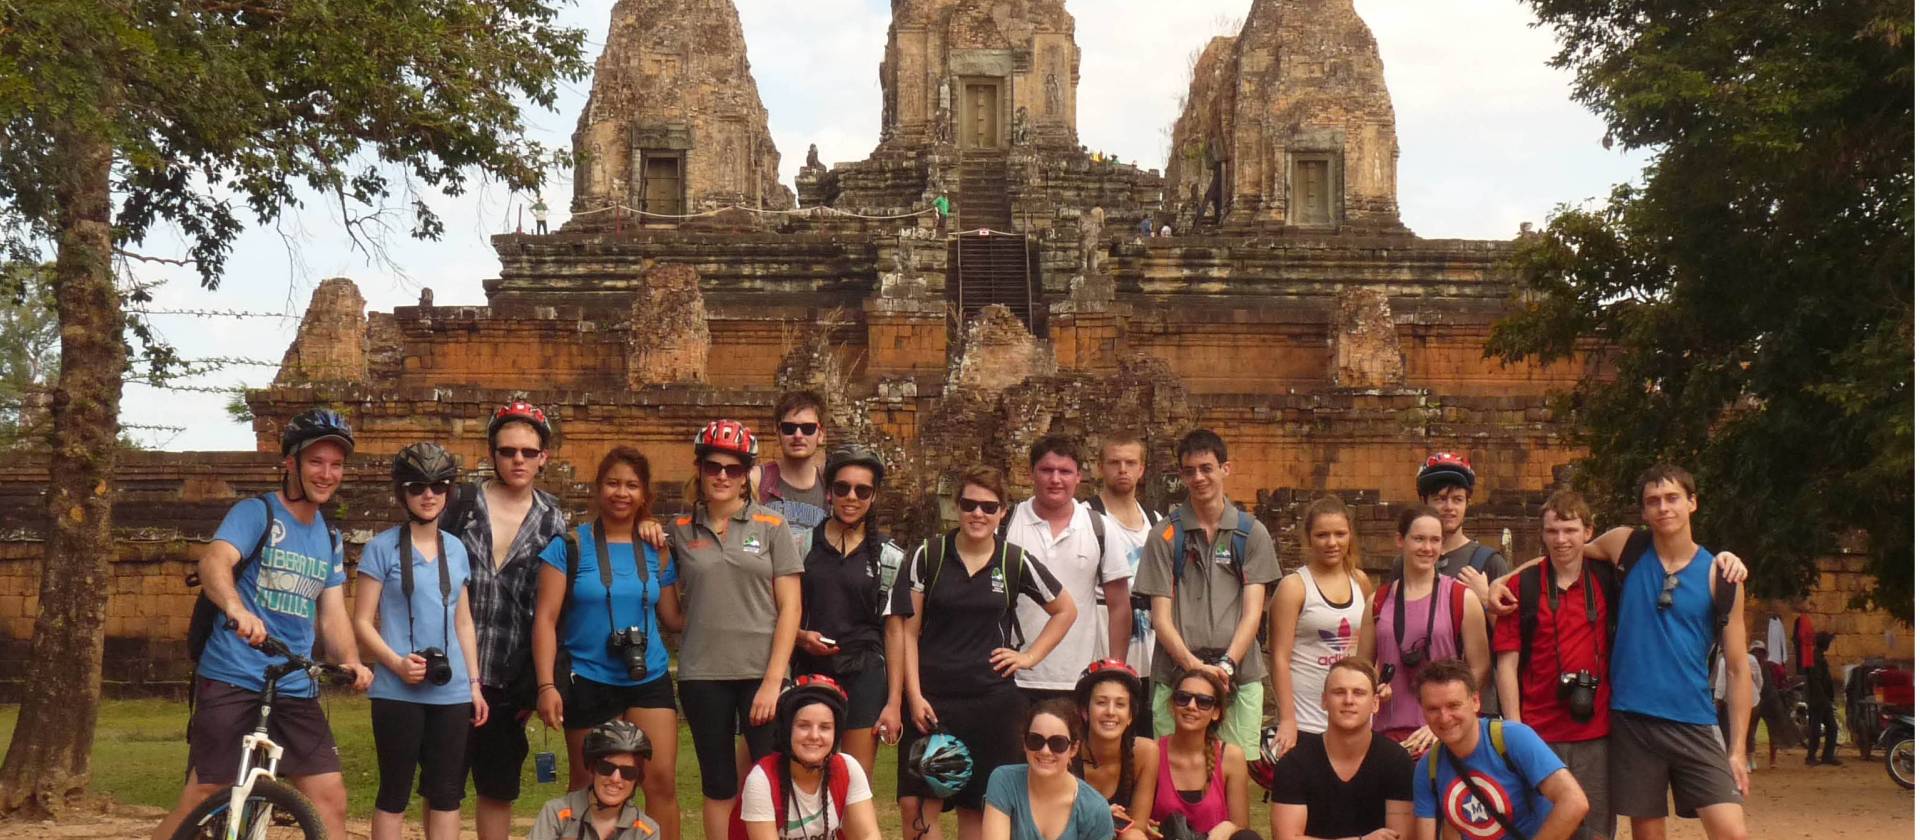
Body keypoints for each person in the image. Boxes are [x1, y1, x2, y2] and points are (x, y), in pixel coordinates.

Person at [153, 409, 374, 840]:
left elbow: (331, 613)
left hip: (293, 684)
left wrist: (350, 662)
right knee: (205, 793)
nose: (327, 474)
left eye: (336, 464)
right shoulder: (257, 513)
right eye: (316, 462)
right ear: (290, 462)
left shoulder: (328, 538)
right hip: (234, 675)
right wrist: (236, 608)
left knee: (330, 798)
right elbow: (215, 560)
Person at [894, 465, 1077, 840]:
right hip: (932, 701)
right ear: (956, 507)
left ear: (1003, 512)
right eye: (969, 504)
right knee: (918, 804)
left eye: (989, 507)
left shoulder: (1013, 560)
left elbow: (1065, 610)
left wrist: (1028, 658)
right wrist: (913, 697)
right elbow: (906, 633)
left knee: (976, 806)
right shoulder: (928, 555)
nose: (978, 514)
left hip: (991, 702)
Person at [1580, 464, 1751, 840]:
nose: (1663, 508)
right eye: (1652, 501)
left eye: (1673, 498)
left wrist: (1737, 750)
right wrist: (1494, 587)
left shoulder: (1721, 575)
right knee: (1648, 834)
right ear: (1643, 512)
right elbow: (1562, 554)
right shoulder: (1625, 544)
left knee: (1731, 831)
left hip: (1693, 718)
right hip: (1633, 719)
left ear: (1693, 503)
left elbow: (1738, 669)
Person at [533, 447, 684, 835]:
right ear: (598, 488)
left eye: (632, 485)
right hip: (588, 677)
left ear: (644, 494)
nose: (622, 493)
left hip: (647, 676)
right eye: (613, 483)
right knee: (588, 785)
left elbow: (673, 618)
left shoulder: (655, 547)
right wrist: (547, 685)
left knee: (660, 782)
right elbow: (545, 620)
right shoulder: (569, 546)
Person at [668, 420, 806, 840]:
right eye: (713, 467)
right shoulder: (678, 530)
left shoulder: (772, 526)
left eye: (733, 467)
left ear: (748, 472)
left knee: (770, 779)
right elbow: (670, 611)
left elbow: (790, 607)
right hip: (702, 672)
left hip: (760, 674)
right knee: (718, 783)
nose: (723, 476)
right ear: (700, 468)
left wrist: (772, 681)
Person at [444, 400, 571, 840]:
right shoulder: (459, 504)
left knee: (497, 789)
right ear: (492, 454)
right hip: (453, 666)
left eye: (528, 452)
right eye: (508, 451)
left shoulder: (553, 518)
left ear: (543, 458)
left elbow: (554, 606)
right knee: (444, 788)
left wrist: (537, 682)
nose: (518, 460)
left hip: (510, 669)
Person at [353, 443, 486, 840]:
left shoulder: (457, 549)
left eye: (439, 486)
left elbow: (464, 622)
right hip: (397, 689)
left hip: (452, 689)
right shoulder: (381, 548)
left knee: (447, 794)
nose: (428, 495)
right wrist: (396, 664)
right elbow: (361, 621)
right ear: (402, 492)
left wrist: (475, 685)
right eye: (417, 486)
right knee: (394, 792)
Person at [1132, 429, 1281, 756]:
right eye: (1189, 471)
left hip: (1238, 673)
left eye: (1206, 468)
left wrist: (1226, 666)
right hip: (1175, 674)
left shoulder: (1250, 533)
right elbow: (1160, 617)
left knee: (1234, 769)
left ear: (1225, 469)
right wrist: (1194, 667)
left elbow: (1253, 613)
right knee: (1172, 770)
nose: (1198, 478)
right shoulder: (1165, 535)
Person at [1492, 490, 1616, 840]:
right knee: (1542, 828)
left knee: (1595, 830)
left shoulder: (1607, 581)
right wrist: (1515, 732)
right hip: (1539, 732)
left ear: (1588, 532)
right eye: (1552, 531)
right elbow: (1506, 664)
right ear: (1542, 535)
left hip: (1596, 732)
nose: (1561, 540)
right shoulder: (1522, 587)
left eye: (1570, 530)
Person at [795, 446, 905, 776]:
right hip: (812, 668)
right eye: (842, 488)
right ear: (829, 492)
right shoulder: (801, 545)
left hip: (865, 672)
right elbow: (782, 612)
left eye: (862, 490)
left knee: (854, 778)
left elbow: (895, 630)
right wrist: (800, 638)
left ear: (874, 496)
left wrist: (894, 702)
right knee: (807, 772)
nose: (851, 497)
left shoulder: (889, 555)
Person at [1004, 436, 1132, 704]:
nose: (1055, 479)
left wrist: (1115, 668)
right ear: (1031, 473)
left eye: (1064, 471)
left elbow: (1119, 604)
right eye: (1046, 470)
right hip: (1013, 674)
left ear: (1078, 477)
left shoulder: (1098, 527)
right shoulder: (1007, 524)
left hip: (1078, 676)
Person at [1412, 659, 1589, 840]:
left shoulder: (1512, 738)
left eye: (1453, 705)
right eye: (1433, 709)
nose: (1444, 717)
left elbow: (1574, 802)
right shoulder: (1428, 767)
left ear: (1475, 701)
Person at [1362, 506, 1488, 756]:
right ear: (1401, 540)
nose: (1427, 548)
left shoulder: (1461, 598)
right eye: (1419, 539)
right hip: (1388, 733)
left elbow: (1480, 667)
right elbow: (1363, 666)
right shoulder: (1378, 601)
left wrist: (1446, 719)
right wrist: (1375, 686)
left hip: (1444, 732)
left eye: (1435, 540)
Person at [1266, 496, 1371, 758]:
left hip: (1352, 714)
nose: (1332, 543)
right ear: (1309, 538)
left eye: (1340, 534)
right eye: (1322, 535)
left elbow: (1369, 649)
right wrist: (1288, 718)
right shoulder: (1294, 586)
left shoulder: (1361, 582)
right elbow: (1279, 657)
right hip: (1306, 717)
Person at [1269, 658, 1414, 840]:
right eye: (1339, 692)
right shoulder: (1294, 764)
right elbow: (1286, 839)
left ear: (1375, 703)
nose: (1348, 700)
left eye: (1359, 693)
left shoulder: (1397, 761)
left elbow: (1400, 837)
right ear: (1324, 701)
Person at [731, 675, 884, 840]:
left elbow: (868, 834)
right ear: (787, 730)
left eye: (825, 727)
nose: (814, 736)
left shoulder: (847, 768)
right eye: (803, 726)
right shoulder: (762, 780)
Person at [1415, 452, 1510, 715]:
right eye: (1440, 499)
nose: (1449, 508)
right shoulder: (1408, 564)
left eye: (1457, 499)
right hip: (1420, 702)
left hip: (1476, 704)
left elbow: (1513, 639)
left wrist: (1486, 602)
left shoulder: (1488, 563)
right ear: (1424, 501)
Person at [1088, 434, 1162, 717]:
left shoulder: (1155, 522)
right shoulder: (1087, 517)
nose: (1123, 470)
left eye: (1130, 463)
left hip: (1150, 647)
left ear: (1141, 469)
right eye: (1114, 462)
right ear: (1100, 467)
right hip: (1103, 640)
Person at [985, 699, 1120, 840]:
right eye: (1035, 740)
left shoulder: (1096, 810)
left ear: (1073, 749)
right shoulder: (1004, 780)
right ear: (1024, 743)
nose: (1045, 751)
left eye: (1057, 743)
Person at [1148, 668, 1257, 840]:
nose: (1191, 706)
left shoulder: (1231, 757)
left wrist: (1228, 828)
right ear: (1172, 705)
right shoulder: (1151, 753)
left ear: (1216, 712)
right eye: (1183, 698)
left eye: (1203, 701)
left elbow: (1241, 830)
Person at [529, 720, 663, 840]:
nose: (615, 779)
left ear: (637, 778)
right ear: (593, 768)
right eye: (606, 768)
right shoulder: (555, 813)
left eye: (628, 772)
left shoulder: (646, 831)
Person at [1071, 660, 1157, 840]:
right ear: (1085, 711)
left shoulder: (1145, 752)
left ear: (1130, 716)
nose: (1110, 712)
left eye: (1120, 704)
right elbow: (1058, 820)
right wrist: (1103, 814)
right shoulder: (1067, 750)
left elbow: (1138, 824)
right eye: (1101, 702)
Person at [758, 391, 831, 552]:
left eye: (808, 428)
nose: (798, 435)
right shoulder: (757, 481)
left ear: (821, 434)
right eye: (789, 428)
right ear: (778, 433)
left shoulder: (831, 487)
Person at [1714, 642, 1764, 772]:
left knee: (1734, 733)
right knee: (1750, 732)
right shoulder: (1751, 659)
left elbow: (1721, 685)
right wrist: (1756, 692)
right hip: (1753, 700)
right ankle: (1751, 761)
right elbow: (1759, 680)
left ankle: (1739, 761)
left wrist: (1718, 701)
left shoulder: (1724, 662)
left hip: (1736, 703)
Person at [1804, 631, 1840, 767]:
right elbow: (1816, 681)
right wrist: (1824, 699)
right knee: (1816, 729)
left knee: (1832, 727)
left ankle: (1827, 756)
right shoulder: (1815, 658)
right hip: (1818, 699)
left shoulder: (1818, 657)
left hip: (1823, 699)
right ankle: (1811, 756)